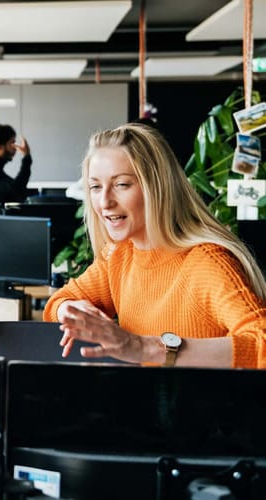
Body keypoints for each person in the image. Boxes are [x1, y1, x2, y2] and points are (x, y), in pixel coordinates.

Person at [44, 123, 266, 369]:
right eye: (95, 187)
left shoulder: (207, 262)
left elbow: (262, 342)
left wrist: (146, 348)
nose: (104, 201)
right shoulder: (119, 255)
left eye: (121, 185)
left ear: (156, 187)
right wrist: (72, 310)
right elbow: (59, 301)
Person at [0, 123, 32, 203]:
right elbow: (17, 190)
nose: (15, 147)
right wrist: (26, 157)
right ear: (0, 147)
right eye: (12, 143)